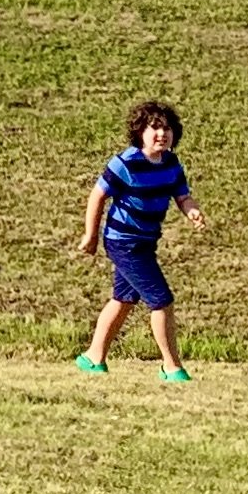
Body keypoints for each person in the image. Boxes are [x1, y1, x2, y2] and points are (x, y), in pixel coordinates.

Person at [75, 98, 204, 381]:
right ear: (140, 132)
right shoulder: (125, 163)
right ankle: (172, 367)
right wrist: (91, 235)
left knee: (123, 299)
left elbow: (181, 195)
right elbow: (97, 195)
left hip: (146, 242)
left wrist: (191, 210)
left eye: (167, 128)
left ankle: (92, 357)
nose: (162, 134)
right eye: (154, 128)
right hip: (124, 243)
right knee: (161, 300)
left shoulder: (170, 163)